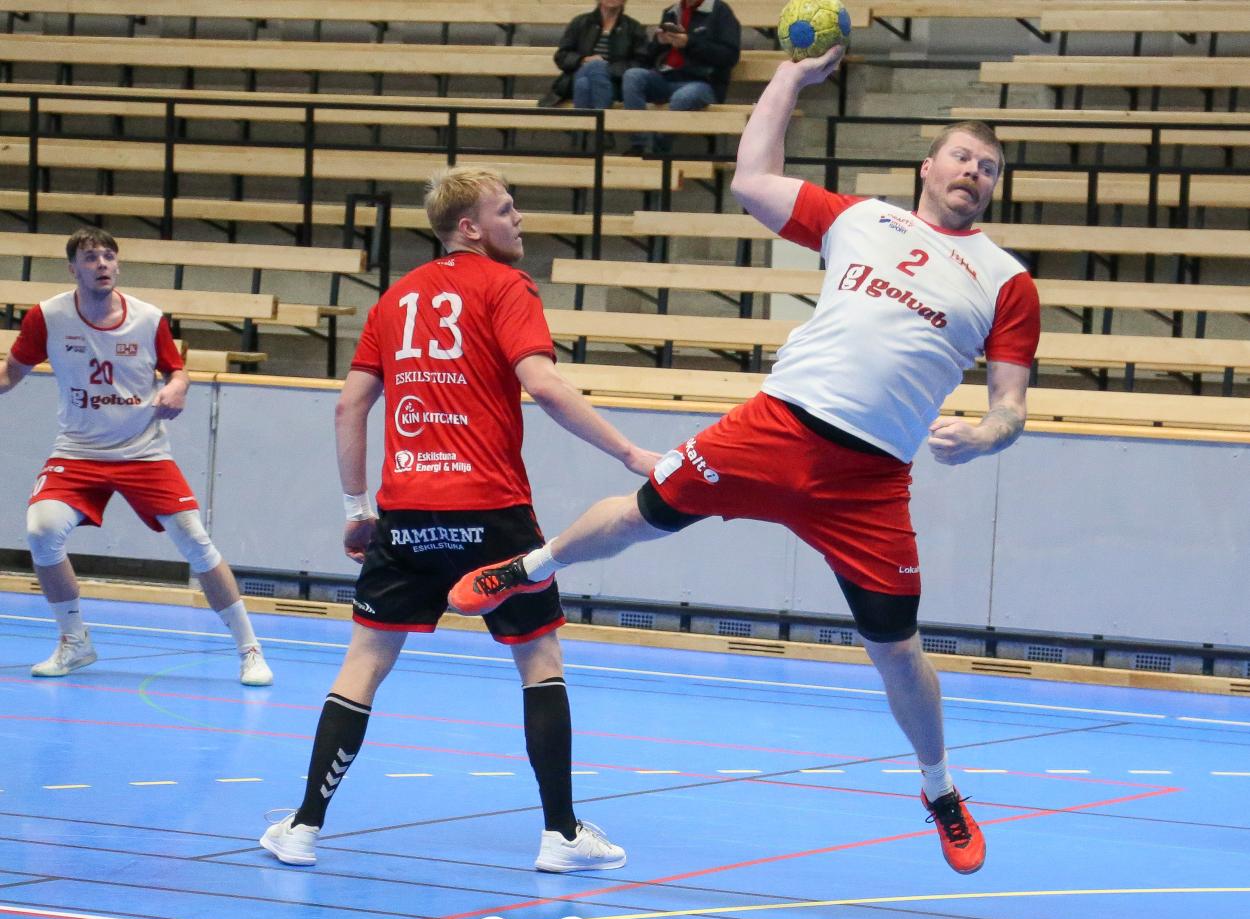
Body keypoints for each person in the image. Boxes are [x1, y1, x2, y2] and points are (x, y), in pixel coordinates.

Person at [450, 47, 1042, 877]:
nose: (973, 172)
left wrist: (984, 435)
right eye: (962, 157)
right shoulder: (860, 219)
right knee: (643, 513)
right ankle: (529, 566)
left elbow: (1011, 407)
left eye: (988, 168)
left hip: (868, 480)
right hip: (775, 425)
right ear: (928, 166)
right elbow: (752, 179)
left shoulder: (1006, 281)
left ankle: (940, 789)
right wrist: (790, 79)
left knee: (897, 649)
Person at [259, 167, 660, 872]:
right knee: (539, 659)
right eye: (506, 209)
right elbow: (543, 384)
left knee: (364, 663)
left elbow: (349, 405)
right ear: (468, 226)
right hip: (490, 508)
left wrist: (357, 510)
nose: (519, 219)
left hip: (406, 510)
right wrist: (630, 453)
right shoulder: (508, 287)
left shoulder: (394, 299)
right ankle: (561, 835)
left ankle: (302, 827)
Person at [0, 227, 273, 687]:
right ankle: (75, 642)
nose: (102, 264)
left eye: (109, 256)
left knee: (195, 541)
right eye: (91, 257)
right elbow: (11, 373)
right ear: (72, 269)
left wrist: (177, 387)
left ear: (118, 265)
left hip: (143, 453)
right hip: (78, 451)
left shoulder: (147, 318)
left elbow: (177, 371)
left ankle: (250, 649)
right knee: (41, 530)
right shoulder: (47, 317)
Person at [621, 0, 741, 154]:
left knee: (684, 96)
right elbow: (649, 59)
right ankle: (640, 145)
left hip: (703, 83)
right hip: (665, 78)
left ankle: (657, 149)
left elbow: (730, 56)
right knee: (633, 76)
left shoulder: (720, 11)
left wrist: (689, 43)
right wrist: (659, 42)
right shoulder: (671, 12)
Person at [541, 0, 648, 110]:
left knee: (584, 85)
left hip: (615, 81)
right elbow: (561, 56)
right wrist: (583, 60)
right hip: (579, 74)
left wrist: (607, 69)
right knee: (595, 66)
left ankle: (590, 120)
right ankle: (602, 115)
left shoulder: (634, 27)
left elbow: (641, 62)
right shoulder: (580, 22)